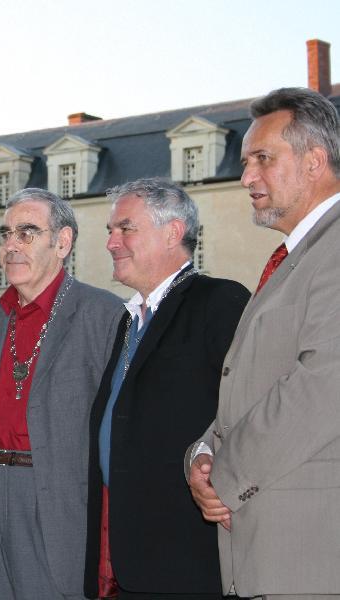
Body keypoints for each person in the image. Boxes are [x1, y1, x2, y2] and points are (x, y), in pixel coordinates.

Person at [187, 87, 340, 598]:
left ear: (315, 161)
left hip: (309, 554)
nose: (247, 176)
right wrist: (202, 454)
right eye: (246, 161)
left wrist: (223, 475)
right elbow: (252, 385)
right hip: (261, 551)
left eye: (263, 159)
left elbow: (322, 384)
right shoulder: (292, 258)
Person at [84, 179, 249, 599]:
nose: (111, 242)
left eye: (125, 228)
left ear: (173, 232)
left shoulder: (218, 302)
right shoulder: (129, 319)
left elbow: (248, 409)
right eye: (109, 231)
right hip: (129, 554)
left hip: (187, 556)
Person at [0, 188, 123, 600]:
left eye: (28, 232)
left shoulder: (104, 314)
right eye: (6, 233)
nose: (11, 245)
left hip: (56, 495)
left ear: (63, 242)